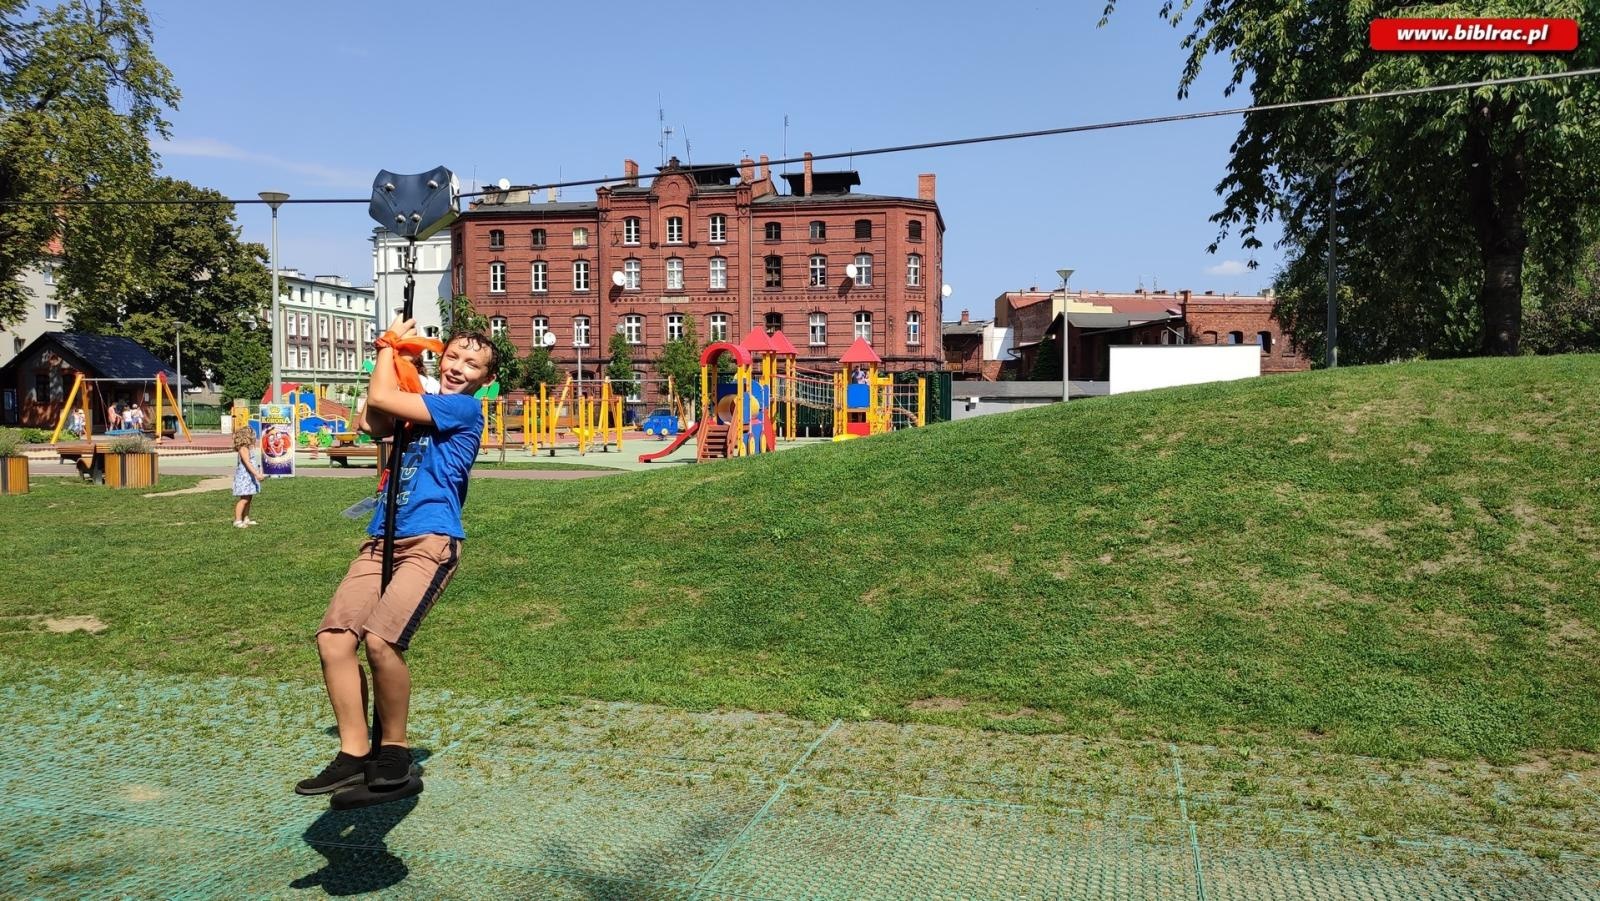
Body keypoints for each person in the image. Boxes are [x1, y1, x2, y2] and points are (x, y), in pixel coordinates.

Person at [296, 317, 496, 798]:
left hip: (430, 541)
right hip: (381, 538)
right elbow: (371, 418)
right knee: (335, 640)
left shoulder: (463, 412)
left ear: (485, 381)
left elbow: (384, 400)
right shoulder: (418, 404)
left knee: (382, 642)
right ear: (440, 359)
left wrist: (386, 345)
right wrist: (399, 358)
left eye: (473, 364)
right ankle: (353, 753)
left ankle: (395, 750)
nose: (459, 367)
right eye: (453, 356)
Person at [232, 424, 262, 527]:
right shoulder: (243, 449)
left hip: (249, 477)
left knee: (249, 498)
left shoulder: (248, 448)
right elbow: (247, 463)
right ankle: (237, 520)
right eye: (252, 435)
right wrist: (257, 474)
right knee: (244, 499)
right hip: (244, 477)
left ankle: (246, 518)